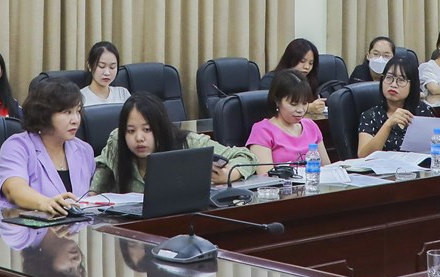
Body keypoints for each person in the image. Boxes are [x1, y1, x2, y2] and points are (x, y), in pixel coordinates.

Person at [92, 92, 257, 192]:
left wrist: (228, 175)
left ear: (161, 127)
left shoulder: (188, 143)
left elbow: (247, 156)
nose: (139, 138)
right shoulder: (117, 141)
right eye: (130, 131)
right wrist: (93, 194)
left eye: (147, 129)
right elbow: (103, 167)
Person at [0, 76, 93, 214]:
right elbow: (14, 190)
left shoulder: (84, 150)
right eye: (67, 112)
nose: (76, 120)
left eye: (78, 111)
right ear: (44, 114)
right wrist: (46, 203)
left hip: (74, 226)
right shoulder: (17, 146)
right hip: (21, 225)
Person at [357, 53, 432, 155]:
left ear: (412, 85)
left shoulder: (423, 111)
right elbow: (363, 155)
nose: (393, 85)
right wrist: (388, 124)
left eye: (401, 80)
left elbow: (435, 147)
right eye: (389, 77)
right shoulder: (371, 116)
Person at [248, 70, 323, 170]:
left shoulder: (311, 126)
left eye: (305, 103)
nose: (300, 110)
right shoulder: (262, 131)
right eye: (293, 104)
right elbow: (265, 175)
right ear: (277, 101)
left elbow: (327, 167)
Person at [273, 38, 330, 119]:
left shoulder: (309, 79)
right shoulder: (271, 79)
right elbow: (271, 108)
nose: (307, 67)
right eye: (302, 61)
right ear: (290, 59)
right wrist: (308, 107)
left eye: (311, 63)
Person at [81, 40, 130, 108]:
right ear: (89, 66)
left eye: (112, 67)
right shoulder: (80, 97)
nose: (107, 73)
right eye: (101, 66)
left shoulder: (123, 93)